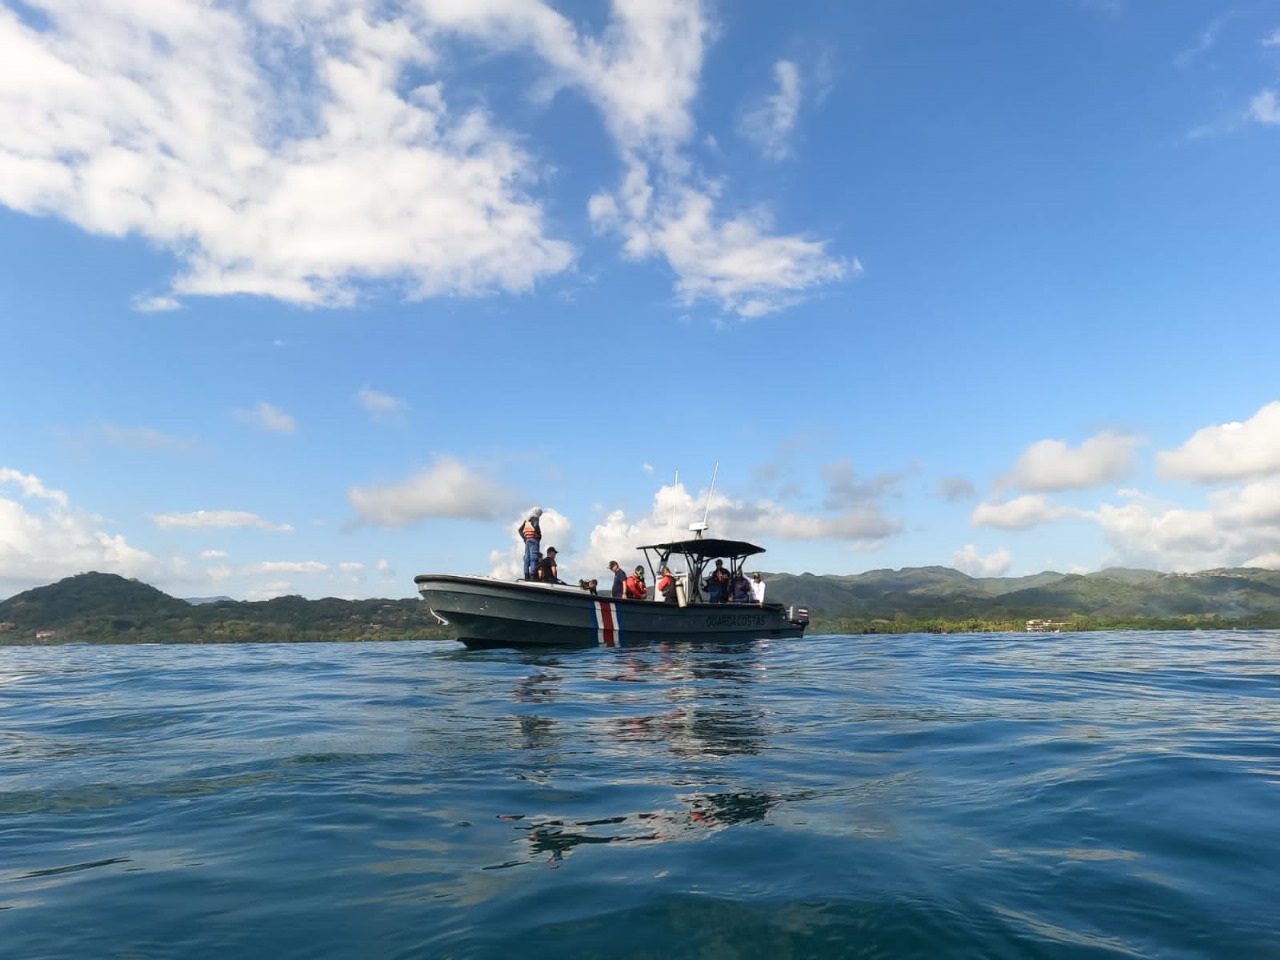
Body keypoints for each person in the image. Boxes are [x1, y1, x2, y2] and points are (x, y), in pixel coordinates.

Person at [519, 508, 543, 580]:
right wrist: (538, 535)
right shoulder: (535, 519)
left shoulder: (527, 520)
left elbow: (520, 530)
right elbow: (535, 527)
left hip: (528, 540)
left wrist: (525, 538)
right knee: (533, 558)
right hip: (533, 540)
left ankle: (526, 575)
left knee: (527, 558)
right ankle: (533, 575)